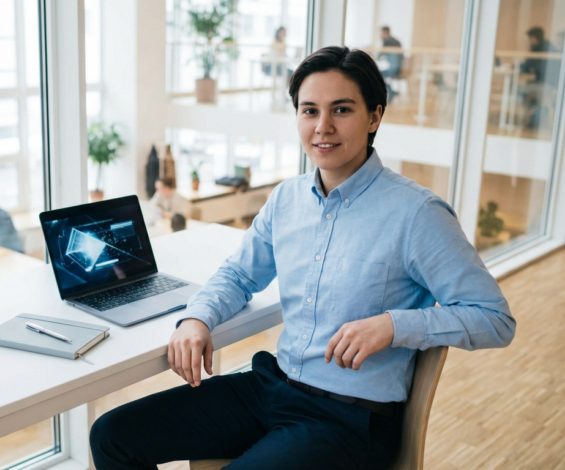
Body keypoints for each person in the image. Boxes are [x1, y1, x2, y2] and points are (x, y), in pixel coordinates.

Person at [90, 46, 516, 470]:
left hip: (348, 420)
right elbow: (239, 274)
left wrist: (394, 325)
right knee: (112, 435)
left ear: (374, 117)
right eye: (309, 111)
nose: (322, 127)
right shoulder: (287, 199)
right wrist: (198, 318)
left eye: (342, 110)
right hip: (272, 387)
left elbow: (494, 319)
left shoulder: (418, 214)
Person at [521, 27, 560, 128]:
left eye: (530, 38)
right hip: (551, 84)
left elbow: (528, 66)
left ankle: (533, 116)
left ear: (534, 38)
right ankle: (535, 114)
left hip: (546, 84)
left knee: (522, 90)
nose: (529, 41)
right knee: (528, 89)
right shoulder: (547, 46)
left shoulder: (540, 49)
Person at [379, 26, 403, 100]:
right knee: (379, 74)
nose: (379, 35)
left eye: (380, 33)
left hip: (395, 69)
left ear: (384, 33)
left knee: (377, 74)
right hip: (399, 67)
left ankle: (391, 91)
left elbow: (380, 55)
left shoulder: (387, 42)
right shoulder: (396, 41)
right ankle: (392, 91)